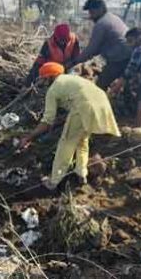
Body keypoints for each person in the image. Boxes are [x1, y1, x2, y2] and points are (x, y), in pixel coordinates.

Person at [19, 62, 120, 190]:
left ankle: (54, 181)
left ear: (50, 77)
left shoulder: (53, 89)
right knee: (82, 141)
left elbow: (47, 121)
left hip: (84, 106)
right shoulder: (71, 78)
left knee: (66, 143)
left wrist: (28, 137)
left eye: (44, 79)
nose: (43, 82)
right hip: (102, 102)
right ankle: (81, 174)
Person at [70, 0, 132, 90]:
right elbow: (96, 50)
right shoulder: (112, 17)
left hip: (120, 59)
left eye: (92, 12)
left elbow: (91, 49)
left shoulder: (101, 24)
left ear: (100, 9)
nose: (91, 16)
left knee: (98, 86)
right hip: (127, 56)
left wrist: (73, 62)